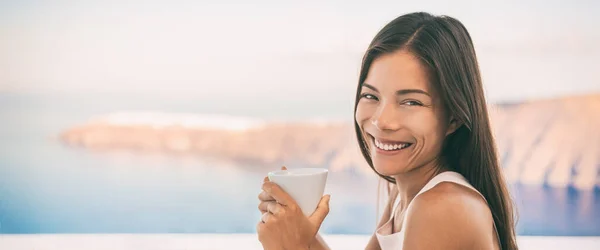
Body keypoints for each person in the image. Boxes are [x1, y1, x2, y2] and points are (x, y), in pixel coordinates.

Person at [256, 12, 518, 250]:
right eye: (371, 96)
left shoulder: (441, 207)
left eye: (411, 102)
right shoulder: (405, 196)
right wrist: (298, 229)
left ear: (454, 118)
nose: (382, 121)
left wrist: (293, 246)